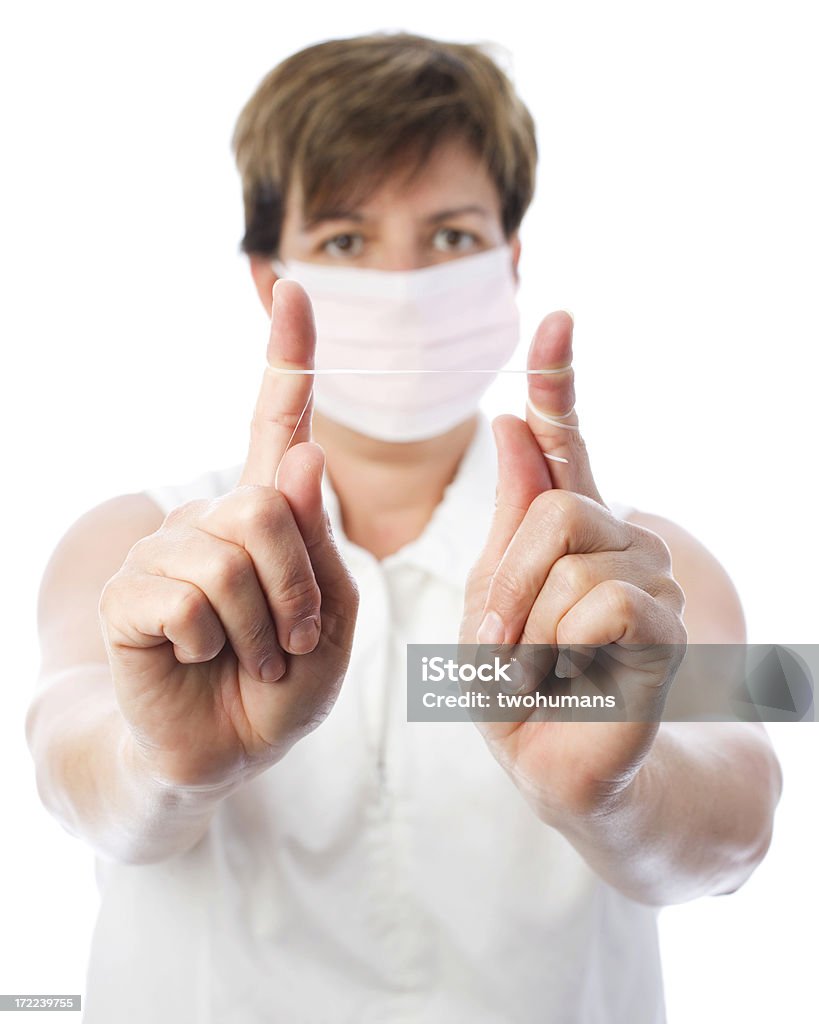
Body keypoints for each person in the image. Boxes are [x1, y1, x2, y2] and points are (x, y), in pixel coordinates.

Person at [26, 31, 782, 1023]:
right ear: (270, 280)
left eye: (452, 236)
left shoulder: (652, 569)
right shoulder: (132, 544)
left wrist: (613, 792)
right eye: (345, 239)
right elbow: (60, 750)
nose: (404, 282)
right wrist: (162, 760)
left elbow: (743, 815)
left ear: (510, 262)